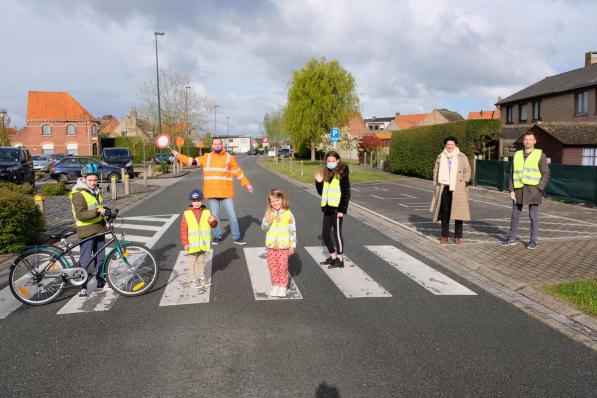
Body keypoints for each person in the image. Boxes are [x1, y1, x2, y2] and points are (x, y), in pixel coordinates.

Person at [172, 137, 253, 245]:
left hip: (226, 193)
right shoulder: (207, 157)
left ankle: (237, 237)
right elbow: (192, 162)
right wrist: (179, 156)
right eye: (215, 144)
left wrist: (247, 184)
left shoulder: (229, 158)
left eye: (219, 144)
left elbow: (238, 172)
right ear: (211, 146)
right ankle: (217, 237)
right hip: (212, 193)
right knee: (214, 217)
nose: (217, 146)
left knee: (232, 216)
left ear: (222, 145)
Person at [500, 131, 550, 249]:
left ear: (534, 141)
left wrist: (539, 188)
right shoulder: (517, 155)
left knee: (533, 216)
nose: (528, 141)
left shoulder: (540, 155)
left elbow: (546, 174)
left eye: (530, 139)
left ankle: (533, 241)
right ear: (523, 141)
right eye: (526, 139)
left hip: (534, 191)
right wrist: (511, 190)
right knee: (515, 215)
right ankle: (511, 238)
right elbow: (512, 173)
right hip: (518, 190)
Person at [69, 163, 107, 297]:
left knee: (101, 258)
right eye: (90, 180)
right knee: (85, 260)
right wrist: (97, 212)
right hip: (86, 231)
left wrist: (106, 213)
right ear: (84, 178)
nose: (93, 182)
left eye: (95, 180)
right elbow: (81, 215)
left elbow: (99, 207)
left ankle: (100, 280)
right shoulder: (78, 193)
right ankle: (82, 286)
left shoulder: (97, 190)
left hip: (99, 229)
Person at [430, 136, 472, 244]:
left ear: (455, 145)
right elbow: (435, 170)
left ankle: (458, 236)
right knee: (444, 213)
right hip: (444, 187)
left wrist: (465, 181)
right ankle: (445, 236)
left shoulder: (462, 156)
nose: (449, 146)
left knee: (459, 213)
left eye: (452, 145)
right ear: (445, 145)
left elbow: (468, 170)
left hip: (458, 188)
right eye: (448, 144)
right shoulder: (440, 157)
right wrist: (435, 182)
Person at [314, 150, 350, 268]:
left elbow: (346, 192)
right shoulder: (327, 173)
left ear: (338, 161)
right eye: (328, 161)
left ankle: (340, 259)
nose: (330, 163)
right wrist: (318, 183)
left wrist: (342, 209)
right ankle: (333, 256)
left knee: (337, 234)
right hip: (327, 209)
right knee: (325, 234)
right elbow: (322, 192)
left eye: (333, 161)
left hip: (337, 209)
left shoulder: (342, 172)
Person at [261, 189, 296, 297]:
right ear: (269, 202)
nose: (275, 203)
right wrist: (268, 220)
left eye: (277, 200)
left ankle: (283, 286)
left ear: (282, 200)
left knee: (282, 266)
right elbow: (264, 228)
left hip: (283, 246)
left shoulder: (288, 214)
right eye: (272, 201)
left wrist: (292, 245)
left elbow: (292, 230)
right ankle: (275, 284)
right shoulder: (269, 213)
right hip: (271, 245)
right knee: (272, 266)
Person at [180, 189, 218, 288]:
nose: (197, 203)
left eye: (199, 200)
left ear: (202, 200)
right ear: (191, 202)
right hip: (192, 243)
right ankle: (192, 279)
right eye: (194, 201)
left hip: (202, 243)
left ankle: (201, 278)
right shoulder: (187, 214)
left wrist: (213, 221)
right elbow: (183, 229)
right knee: (192, 261)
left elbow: (213, 225)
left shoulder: (206, 212)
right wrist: (185, 243)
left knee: (201, 261)